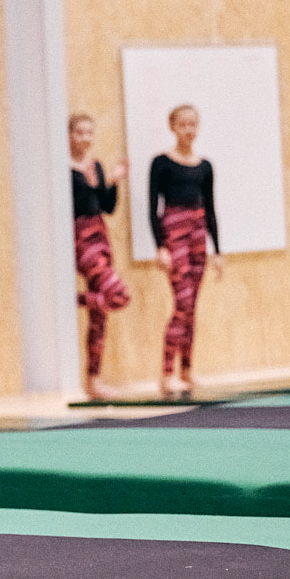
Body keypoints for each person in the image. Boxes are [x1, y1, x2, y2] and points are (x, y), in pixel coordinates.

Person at [148, 104, 221, 399]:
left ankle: (186, 370)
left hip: (198, 234)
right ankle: (166, 374)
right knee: (182, 303)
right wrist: (160, 247)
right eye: (183, 125)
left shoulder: (205, 166)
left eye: (193, 124)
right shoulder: (161, 163)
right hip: (174, 233)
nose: (189, 130)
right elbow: (153, 208)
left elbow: (211, 208)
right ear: (173, 127)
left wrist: (218, 251)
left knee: (192, 307)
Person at [69, 113, 131, 402]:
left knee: (99, 316)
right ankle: (72, 300)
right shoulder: (64, 169)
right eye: (79, 132)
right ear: (69, 136)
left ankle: (93, 380)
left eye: (89, 133)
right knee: (118, 296)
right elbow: (72, 204)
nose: (85, 138)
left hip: (100, 234)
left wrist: (114, 180)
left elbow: (107, 206)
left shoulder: (95, 166)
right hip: (81, 236)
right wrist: (91, 186)